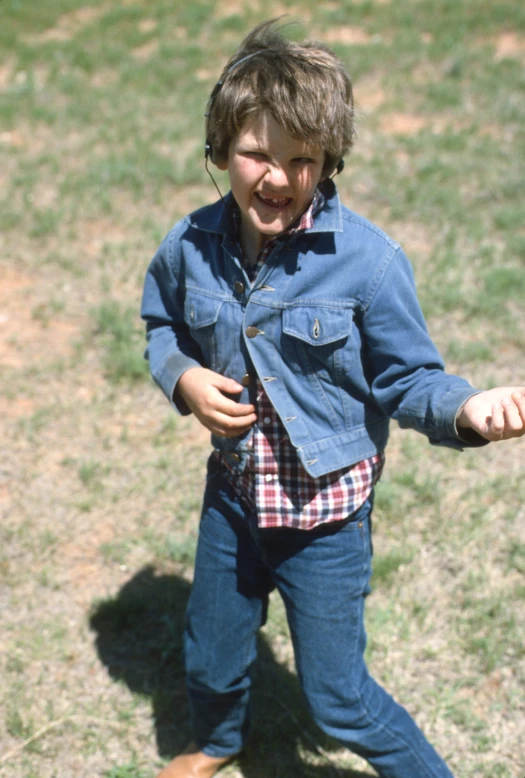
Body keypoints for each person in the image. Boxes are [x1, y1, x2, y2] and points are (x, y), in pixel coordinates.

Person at [141, 20, 525, 778]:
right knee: (212, 652)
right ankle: (217, 739)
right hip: (235, 500)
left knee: (338, 699)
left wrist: (467, 409)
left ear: (328, 161)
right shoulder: (188, 248)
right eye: (256, 154)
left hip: (325, 523)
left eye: (300, 160)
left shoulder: (369, 264)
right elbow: (161, 327)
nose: (276, 177)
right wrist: (182, 378)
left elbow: (408, 377)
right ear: (219, 152)